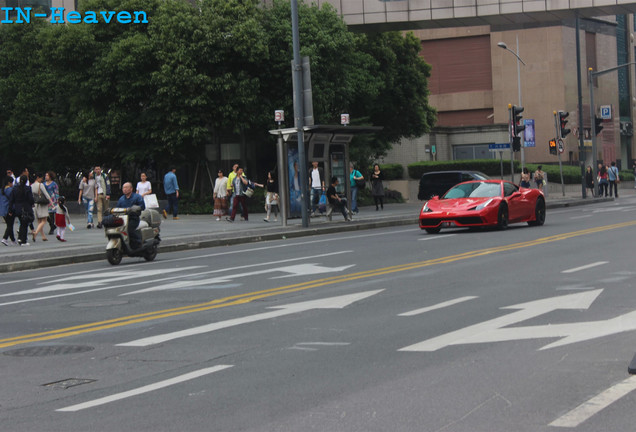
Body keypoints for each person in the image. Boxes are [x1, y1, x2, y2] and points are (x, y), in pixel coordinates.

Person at [117, 182, 145, 248]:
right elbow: (117, 208)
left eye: (126, 187)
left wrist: (136, 209)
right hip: (123, 219)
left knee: (129, 229)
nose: (124, 189)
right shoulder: (121, 199)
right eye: (123, 187)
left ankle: (139, 242)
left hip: (133, 219)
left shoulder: (137, 197)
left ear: (131, 189)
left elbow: (142, 206)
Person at [9, 175, 34, 246]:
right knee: (25, 224)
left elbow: (11, 200)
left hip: (18, 208)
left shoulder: (15, 188)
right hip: (26, 208)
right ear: (26, 181)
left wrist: (10, 210)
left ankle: (20, 237)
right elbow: (30, 198)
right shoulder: (28, 188)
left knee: (21, 222)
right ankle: (23, 240)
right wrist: (32, 204)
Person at [31, 173, 53, 242]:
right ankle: (36, 233)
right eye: (41, 178)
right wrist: (51, 202)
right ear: (38, 178)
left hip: (36, 204)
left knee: (39, 221)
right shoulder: (40, 185)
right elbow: (46, 194)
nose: (42, 179)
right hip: (42, 204)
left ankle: (43, 236)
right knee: (44, 220)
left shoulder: (31, 185)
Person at [1, 176, 16, 246]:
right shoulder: (9, 190)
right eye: (12, 183)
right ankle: (5, 238)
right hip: (9, 209)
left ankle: (13, 240)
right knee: (10, 225)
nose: (12, 184)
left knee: (9, 225)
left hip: (3, 210)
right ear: (9, 183)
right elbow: (12, 199)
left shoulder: (2, 189)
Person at [44, 171, 59, 235]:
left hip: (52, 200)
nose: (46, 177)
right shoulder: (44, 184)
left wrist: (57, 200)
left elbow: (56, 192)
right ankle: (52, 225)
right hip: (46, 200)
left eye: (47, 175)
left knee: (52, 214)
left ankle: (52, 228)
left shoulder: (54, 184)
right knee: (45, 214)